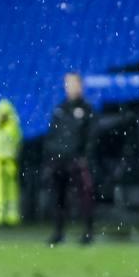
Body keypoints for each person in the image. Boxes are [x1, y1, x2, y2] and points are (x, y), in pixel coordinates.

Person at [44, 72, 95, 246]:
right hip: (59, 160)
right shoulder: (60, 109)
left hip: (77, 160)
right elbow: (52, 135)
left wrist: (84, 156)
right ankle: (58, 233)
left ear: (80, 86)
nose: (70, 87)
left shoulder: (87, 109)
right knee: (59, 197)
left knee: (84, 197)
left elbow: (91, 136)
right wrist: (52, 155)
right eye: (67, 84)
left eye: (73, 83)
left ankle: (88, 232)